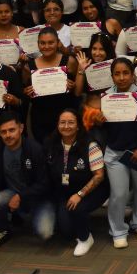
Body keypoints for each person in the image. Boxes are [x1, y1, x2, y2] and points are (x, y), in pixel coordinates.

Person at [94, 57, 137, 246]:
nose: (121, 77)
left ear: (133, 75)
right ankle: (118, 230)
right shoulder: (105, 97)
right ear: (112, 76)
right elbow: (105, 129)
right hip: (115, 153)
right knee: (119, 193)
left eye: (125, 73)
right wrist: (100, 122)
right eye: (117, 74)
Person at [44, 109, 108, 256]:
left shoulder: (90, 145)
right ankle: (78, 222)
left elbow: (99, 176)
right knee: (66, 232)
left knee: (78, 209)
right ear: (57, 125)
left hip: (93, 190)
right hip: (66, 191)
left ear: (78, 125)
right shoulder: (50, 144)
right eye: (62, 122)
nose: (66, 126)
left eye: (71, 122)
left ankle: (86, 239)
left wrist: (79, 194)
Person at [0, 115, 53, 246]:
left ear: (21, 128)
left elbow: (45, 183)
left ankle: (29, 215)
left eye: (12, 130)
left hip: (39, 197)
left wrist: (20, 196)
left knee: (45, 233)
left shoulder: (36, 150)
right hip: (12, 193)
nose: (8, 135)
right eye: (3, 132)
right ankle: (3, 230)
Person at [23, 26, 78, 143]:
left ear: (58, 43)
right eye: (42, 43)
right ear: (38, 44)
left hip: (65, 116)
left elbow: (78, 89)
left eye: (50, 42)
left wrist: (73, 86)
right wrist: (27, 92)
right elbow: (24, 92)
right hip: (40, 118)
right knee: (44, 149)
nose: (46, 46)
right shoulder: (28, 67)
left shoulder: (70, 62)